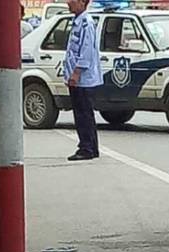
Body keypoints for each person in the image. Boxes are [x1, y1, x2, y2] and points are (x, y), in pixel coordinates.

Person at [64, 0, 102, 162]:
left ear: (81, 2)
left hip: (82, 78)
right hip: (77, 77)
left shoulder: (86, 22)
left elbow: (86, 51)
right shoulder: (77, 21)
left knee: (83, 114)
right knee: (85, 113)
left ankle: (86, 147)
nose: (68, 3)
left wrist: (76, 73)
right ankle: (91, 147)